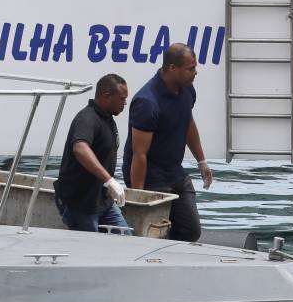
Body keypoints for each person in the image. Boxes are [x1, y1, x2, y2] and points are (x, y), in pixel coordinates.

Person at [122, 44, 213, 242]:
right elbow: (139, 154)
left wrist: (201, 161)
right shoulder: (147, 103)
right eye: (190, 69)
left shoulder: (187, 90)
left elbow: (187, 121)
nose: (195, 73)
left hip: (174, 172)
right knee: (152, 231)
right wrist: (139, 197)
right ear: (172, 68)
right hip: (150, 177)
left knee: (191, 230)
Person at [53, 74, 130, 233]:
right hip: (80, 204)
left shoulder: (107, 118)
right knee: (89, 248)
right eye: (122, 99)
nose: (125, 103)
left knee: (125, 238)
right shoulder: (87, 118)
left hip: (103, 201)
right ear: (106, 96)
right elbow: (80, 147)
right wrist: (109, 180)